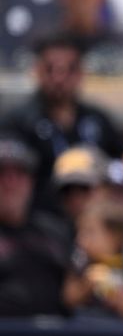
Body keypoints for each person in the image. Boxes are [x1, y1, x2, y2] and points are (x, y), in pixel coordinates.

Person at [0, 33, 123, 215]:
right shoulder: (18, 122)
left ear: (81, 73)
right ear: (36, 71)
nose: (59, 77)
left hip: (95, 218)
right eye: (50, 69)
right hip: (40, 220)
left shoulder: (96, 118)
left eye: (69, 69)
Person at [0, 131, 70, 317]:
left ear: (31, 182)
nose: (10, 183)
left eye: (20, 173)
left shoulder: (56, 231)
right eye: (2, 173)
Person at [62, 197, 123, 320]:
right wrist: (86, 286)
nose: (80, 239)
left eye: (89, 232)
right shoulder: (81, 263)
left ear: (115, 236)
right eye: (80, 232)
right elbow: (68, 298)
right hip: (86, 326)